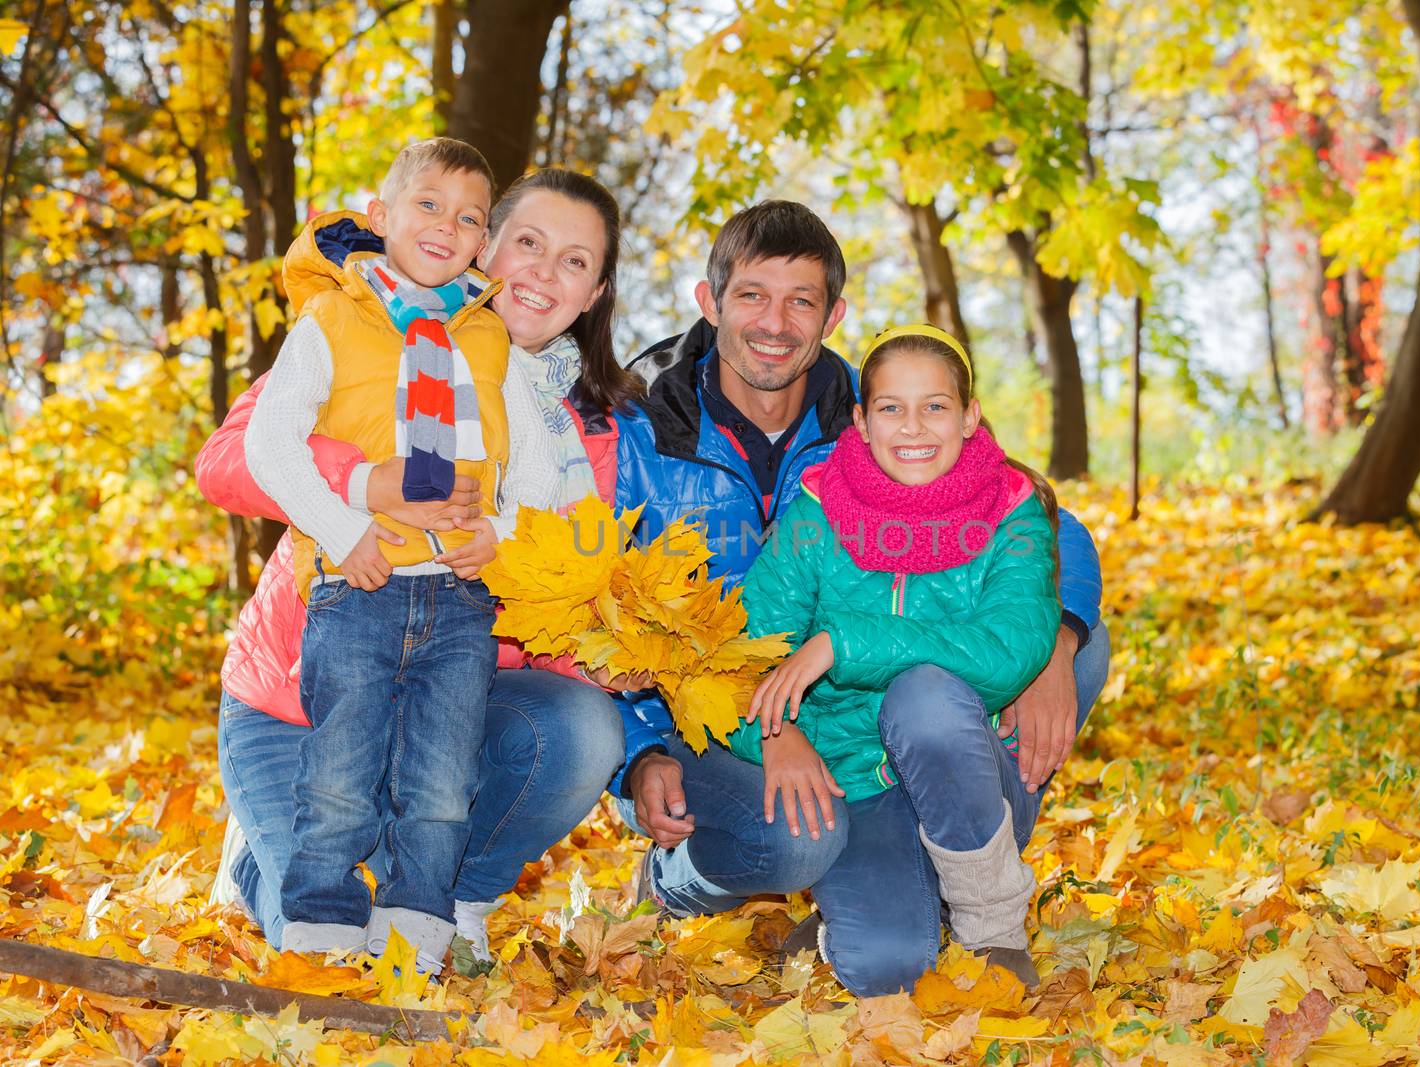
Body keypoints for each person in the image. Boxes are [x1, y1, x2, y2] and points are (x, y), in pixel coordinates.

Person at [607, 201, 1110, 997]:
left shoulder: (873, 407)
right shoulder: (643, 426)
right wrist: (649, 750)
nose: (776, 322)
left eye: (801, 301)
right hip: (731, 714)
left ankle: (960, 892)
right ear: (710, 302)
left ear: (831, 316)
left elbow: (1049, 524)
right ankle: (706, 881)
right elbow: (601, 607)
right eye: (752, 296)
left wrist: (1059, 642)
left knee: (1013, 662)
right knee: (862, 931)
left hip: (925, 705)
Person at [200, 166, 638, 967]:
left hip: (454, 682)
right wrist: (366, 482)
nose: (544, 272)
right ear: (482, 246)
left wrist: (608, 647)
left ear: (595, 292)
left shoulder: (593, 438)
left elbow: (566, 595)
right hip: (297, 693)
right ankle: (253, 855)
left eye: (574, 261)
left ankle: (454, 897)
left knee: (580, 728)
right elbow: (226, 458)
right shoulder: (376, 328)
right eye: (527, 243)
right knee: (311, 914)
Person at [732, 325, 1062, 987]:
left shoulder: (1011, 513)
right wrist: (778, 733)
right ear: (860, 418)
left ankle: (992, 924)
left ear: (970, 416)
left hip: (973, 772)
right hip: (857, 781)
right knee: (886, 968)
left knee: (927, 697)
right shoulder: (815, 516)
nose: (914, 426)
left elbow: (1011, 649)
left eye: (936, 405)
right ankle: (865, 907)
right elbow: (743, 656)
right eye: (891, 407)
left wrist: (845, 641)